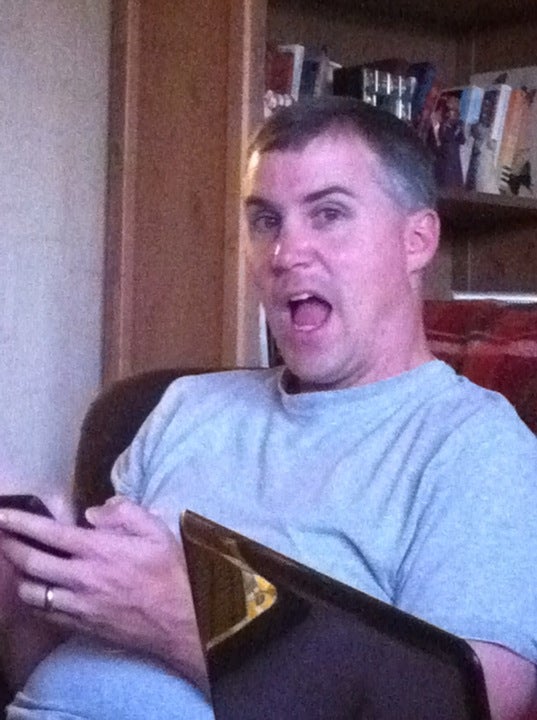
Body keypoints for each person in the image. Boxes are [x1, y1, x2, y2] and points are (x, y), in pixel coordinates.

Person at [0, 97, 536, 720]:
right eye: (265, 220)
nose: (285, 253)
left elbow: (469, 709)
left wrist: (188, 623)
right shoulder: (186, 405)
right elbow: (62, 673)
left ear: (416, 240)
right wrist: (21, 594)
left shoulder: (476, 446)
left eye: (328, 214)